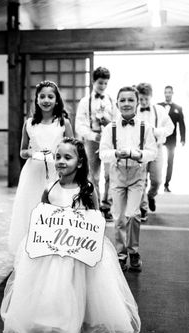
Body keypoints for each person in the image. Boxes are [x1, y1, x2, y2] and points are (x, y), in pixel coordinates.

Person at [1, 137, 140, 333]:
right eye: (58, 157)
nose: (61, 161)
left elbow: (95, 219)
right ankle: (52, 320)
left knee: (79, 286)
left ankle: (79, 320)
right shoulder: (50, 188)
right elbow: (43, 216)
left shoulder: (87, 189)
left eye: (67, 157)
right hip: (52, 250)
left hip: (79, 250)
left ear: (80, 162)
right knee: (52, 285)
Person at [7, 80, 73, 254]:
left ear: (57, 100)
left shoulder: (63, 123)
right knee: (32, 207)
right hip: (33, 172)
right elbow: (22, 151)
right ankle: (31, 247)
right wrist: (31, 153)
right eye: (42, 96)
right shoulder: (29, 123)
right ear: (36, 100)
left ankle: (55, 246)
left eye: (50, 96)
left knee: (56, 208)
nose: (46, 100)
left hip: (56, 172)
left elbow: (73, 150)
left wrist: (61, 159)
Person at [100, 86, 158, 272]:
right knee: (118, 218)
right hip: (117, 175)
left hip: (137, 175)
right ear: (117, 103)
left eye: (130, 100)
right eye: (122, 100)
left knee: (133, 215)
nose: (126, 103)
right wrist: (116, 153)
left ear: (137, 103)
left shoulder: (146, 128)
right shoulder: (110, 128)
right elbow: (103, 153)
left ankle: (133, 251)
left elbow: (152, 152)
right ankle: (120, 255)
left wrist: (136, 153)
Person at [75, 66, 115, 220]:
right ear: (93, 82)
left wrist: (109, 123)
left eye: (105, 83)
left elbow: (117, 122)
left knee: (110, 175)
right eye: (100, 83)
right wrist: (93, 136)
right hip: (93, 142)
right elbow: (79, 125)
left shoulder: (111, 100)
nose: (103, 86)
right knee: (93, 175)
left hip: (110, 142)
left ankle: (107, 206)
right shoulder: (85, 102)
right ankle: (95, 206)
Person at [135, 82, 174, 218]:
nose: (144, 102)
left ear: (151, 97)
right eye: (141, 99)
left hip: (156, 149)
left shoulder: (159, 110)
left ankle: (151, 196)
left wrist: (156, 131)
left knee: (157, 180)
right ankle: (143, 208)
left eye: (146, 99)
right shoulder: (133, 111)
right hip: (140, 150)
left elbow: (170, 128)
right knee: (141, 180)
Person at [158, 85, 186, 192]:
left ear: (172, 93)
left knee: (170, 162)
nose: (167, 94)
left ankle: (166, 184)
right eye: (166, 92)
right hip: (160, 137)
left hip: (172, 140)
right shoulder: (158, 106)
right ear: (164, 93)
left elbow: (182, 124)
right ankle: (155, 182)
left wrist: (183, 138)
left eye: (169, 92)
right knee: (157, 160)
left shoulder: (178, 108)